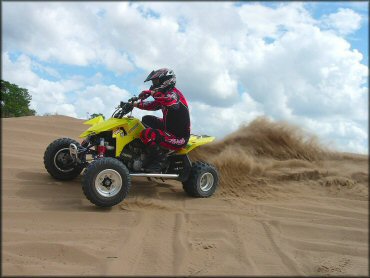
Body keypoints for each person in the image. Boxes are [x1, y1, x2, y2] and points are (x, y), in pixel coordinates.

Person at [133, 68, 191, 173]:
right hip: (168, 127)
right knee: (146, 119)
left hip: (179, 137)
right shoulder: (166, 94)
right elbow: (152, 105)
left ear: (166, 80)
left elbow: (170, 102)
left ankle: (160, 160)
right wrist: (134, 104)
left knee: (147, 134)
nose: (153, 84)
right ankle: (147, 150)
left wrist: (151, 93)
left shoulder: (173, 94)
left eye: (155, 82)